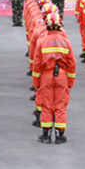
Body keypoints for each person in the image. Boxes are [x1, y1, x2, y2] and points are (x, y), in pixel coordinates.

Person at [32, 12, 76, 144]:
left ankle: (45, 134)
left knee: (46, 105)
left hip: (46, 76)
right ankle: (59, 135)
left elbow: (37, 65)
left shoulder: (41, 42)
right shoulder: (66, 42)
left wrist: (36, 83)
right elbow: (72, 64)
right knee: (60, 106)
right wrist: (70, 83)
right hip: (61, 76)